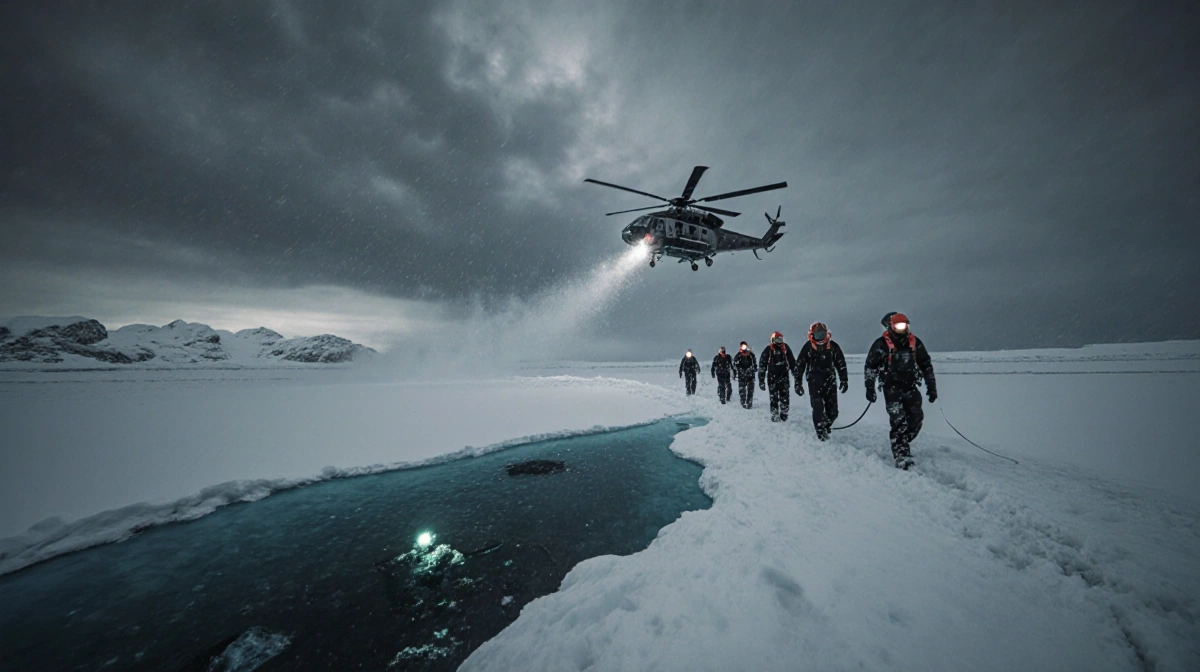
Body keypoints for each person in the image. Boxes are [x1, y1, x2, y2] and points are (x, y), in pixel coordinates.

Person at [864, 312, 937, 470]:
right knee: (898, 420)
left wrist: (932, 387)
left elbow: (926, 364)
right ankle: (901, 454)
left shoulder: (914, 343)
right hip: (891, 388)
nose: (902, 328)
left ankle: (901, 440)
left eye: (904, 325)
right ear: (890, 327)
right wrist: (870, 387)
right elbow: (871, 366)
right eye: (898, 325)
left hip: (911, 386)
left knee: (916, 418)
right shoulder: (881, 345)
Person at [793, 322, 849, 440]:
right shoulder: (808, 347)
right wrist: (798, 383)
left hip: (830, 380)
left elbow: (841, 363)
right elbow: (800, 365)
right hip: (814, 381)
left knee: (833, 411)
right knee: (818, 407)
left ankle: (826, 425)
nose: (820, 337)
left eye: (822, 334)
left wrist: (844, 379)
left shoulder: (833, 346)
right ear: (812, 335)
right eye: (818, 334)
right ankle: (820, 431)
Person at [758, 332, 797, 422]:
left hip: (784, 377)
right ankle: (775, 414)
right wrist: (761, 380)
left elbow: (792, 361)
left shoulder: (785, 348)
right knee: (773, 397)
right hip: (772, 377)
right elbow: (762, 365)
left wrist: (796, 374)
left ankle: (784, 413)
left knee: (785, 396)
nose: (779, 342)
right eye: (777, 339)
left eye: (781, 339)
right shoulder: (768, 350)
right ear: (773, 340)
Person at [733, 341, 757, 409]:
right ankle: (743, 403)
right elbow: (734, 364)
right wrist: (740, 370)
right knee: (742, 391)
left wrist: (752, 369)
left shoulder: (751, 355)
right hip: (741, 376)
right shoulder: (738, 356)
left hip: (750, 376)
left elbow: (754, 364)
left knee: (750, 391)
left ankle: (749, 404)